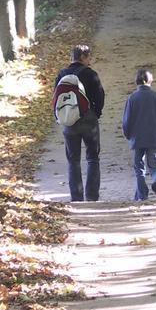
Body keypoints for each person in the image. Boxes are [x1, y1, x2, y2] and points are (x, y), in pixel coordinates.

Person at [54, 45, 104, 201]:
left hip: (69, 120)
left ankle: (76, 197)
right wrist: (96, 113)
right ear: (82, 57)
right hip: (88, 119)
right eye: (89, 57)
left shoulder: (62, 74)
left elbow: (56, 99)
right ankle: (92, 196)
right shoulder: (91, 74)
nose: (90, 60)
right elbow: (100, 97)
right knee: (93, 158)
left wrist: (60, 117)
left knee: (73, 160)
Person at [122, 68, 156, 200]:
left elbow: (127, 120)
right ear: (148, 81)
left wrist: (128, 134)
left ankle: (142, 194)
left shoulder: (132, 98)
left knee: (139, 168)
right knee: (154, 164)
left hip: (137, 138)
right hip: (154, 136)